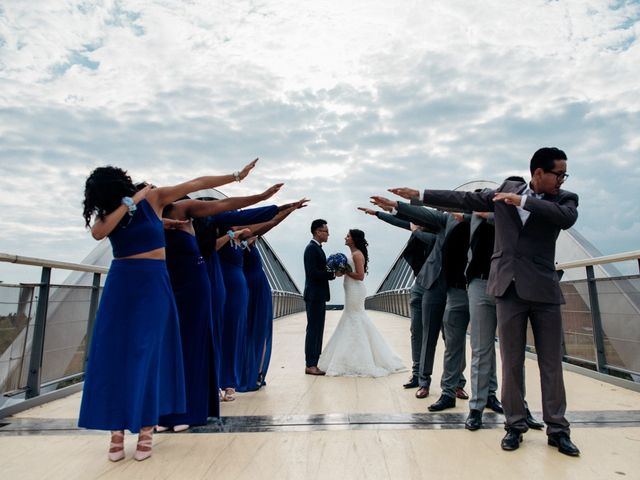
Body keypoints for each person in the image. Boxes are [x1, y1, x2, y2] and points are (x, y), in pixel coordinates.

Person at [389, 147, 580, 456]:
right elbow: (464, 201)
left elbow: (566, 219)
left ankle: (558, 429)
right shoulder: (505, 191)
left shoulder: (564, 199)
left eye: (564, 174)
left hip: (543, 291)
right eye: (558, 174)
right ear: (539, 174)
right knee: (511, 362)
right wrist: (420, 194)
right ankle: (514, 426)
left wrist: (524, 202)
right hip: (507, 290)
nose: (562, 179)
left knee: (550, 364)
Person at [78, 159, 257, 462]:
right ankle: (117, 432)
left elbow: (195, 185)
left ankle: (146, 430)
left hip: (154, 284)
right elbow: (99, 233)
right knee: (115, 356)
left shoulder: (154, 197)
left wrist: (236, 176)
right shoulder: (116, 211)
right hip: (122, 285)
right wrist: (128, 202)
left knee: (152, 355)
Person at [156, 183, 284, 432]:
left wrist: (271, 203)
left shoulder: (196, 220)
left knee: (193, 346)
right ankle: (165, 412)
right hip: (167, 286)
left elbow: (234, 211)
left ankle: (190, 410)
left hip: (194, 286)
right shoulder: (153, 221)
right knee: (169, 350)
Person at [358, 206, 436, 389]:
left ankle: (455, 382)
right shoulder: (416, 227)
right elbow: (397, 221)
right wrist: (377, 213)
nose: (414, 222)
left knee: (440, 335)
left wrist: (416, 231)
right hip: (418, 285)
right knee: (416, 332)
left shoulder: (437, 230)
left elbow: (429, 238)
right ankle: (417, 375)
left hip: (437, 287)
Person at [237, 198, 309, 391]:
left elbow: (269, 222)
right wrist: (289, 209)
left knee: (256, 331)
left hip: (258, 286)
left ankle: (254, 371)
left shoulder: (245, 237)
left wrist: (288, 208)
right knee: (253, 331)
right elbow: (270, 222)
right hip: (252, 288)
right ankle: (249, 373)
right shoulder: (239, 238)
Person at [318, 229, 405, 376]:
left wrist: (345, 271)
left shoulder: (357, 255)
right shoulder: (351, 255)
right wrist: (337, 269)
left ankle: (362, 359)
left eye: (348, 236)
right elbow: (343, 273)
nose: (345, 237)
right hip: (349, 289)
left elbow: (360, 276)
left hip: (355, 290)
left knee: (355, 318)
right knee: (351, 317)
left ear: (354, 239)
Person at [303, 219, 336, 375]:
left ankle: (314, 362)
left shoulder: (317, 249)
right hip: (315, 294)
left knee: (318, 329)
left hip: (318, 294)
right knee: (314, 330)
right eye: (326, 231)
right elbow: (313, 273)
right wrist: (331, 274)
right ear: (318, 232)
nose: (328, 234)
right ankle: (310, 364)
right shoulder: (311, 249)